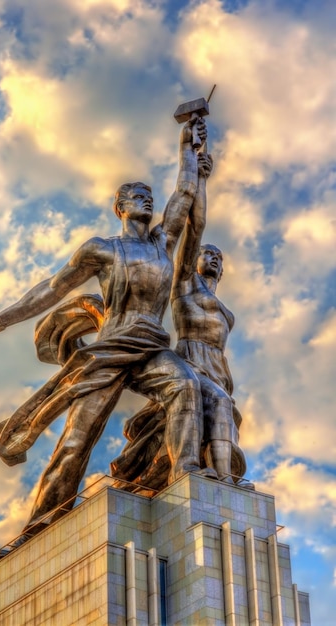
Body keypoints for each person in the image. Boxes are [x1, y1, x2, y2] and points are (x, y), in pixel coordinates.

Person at [0, 116, 208, 555]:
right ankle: (38, 526)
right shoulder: (101, 249)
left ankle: (187, 469)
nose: (147, 200)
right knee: (76, 441)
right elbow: (53, 287)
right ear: (120, 207)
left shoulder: (161, 244)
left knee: (186, 385)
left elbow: (185, 195)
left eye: (149, 196)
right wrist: (4, 317)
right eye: (137, 196)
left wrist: (187, 148)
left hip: (150, 344)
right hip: (110, 348)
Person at [111, 148, 250, 489]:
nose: (213, 257)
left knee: (221, 408)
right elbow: (195, 224)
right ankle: (193, 471)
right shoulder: (185, 283)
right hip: (192, 357)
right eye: (207, 253)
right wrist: (201, 178)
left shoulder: (221, 305)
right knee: (207, 401)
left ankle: (225, 479)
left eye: (219, 256)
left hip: (218, 365)